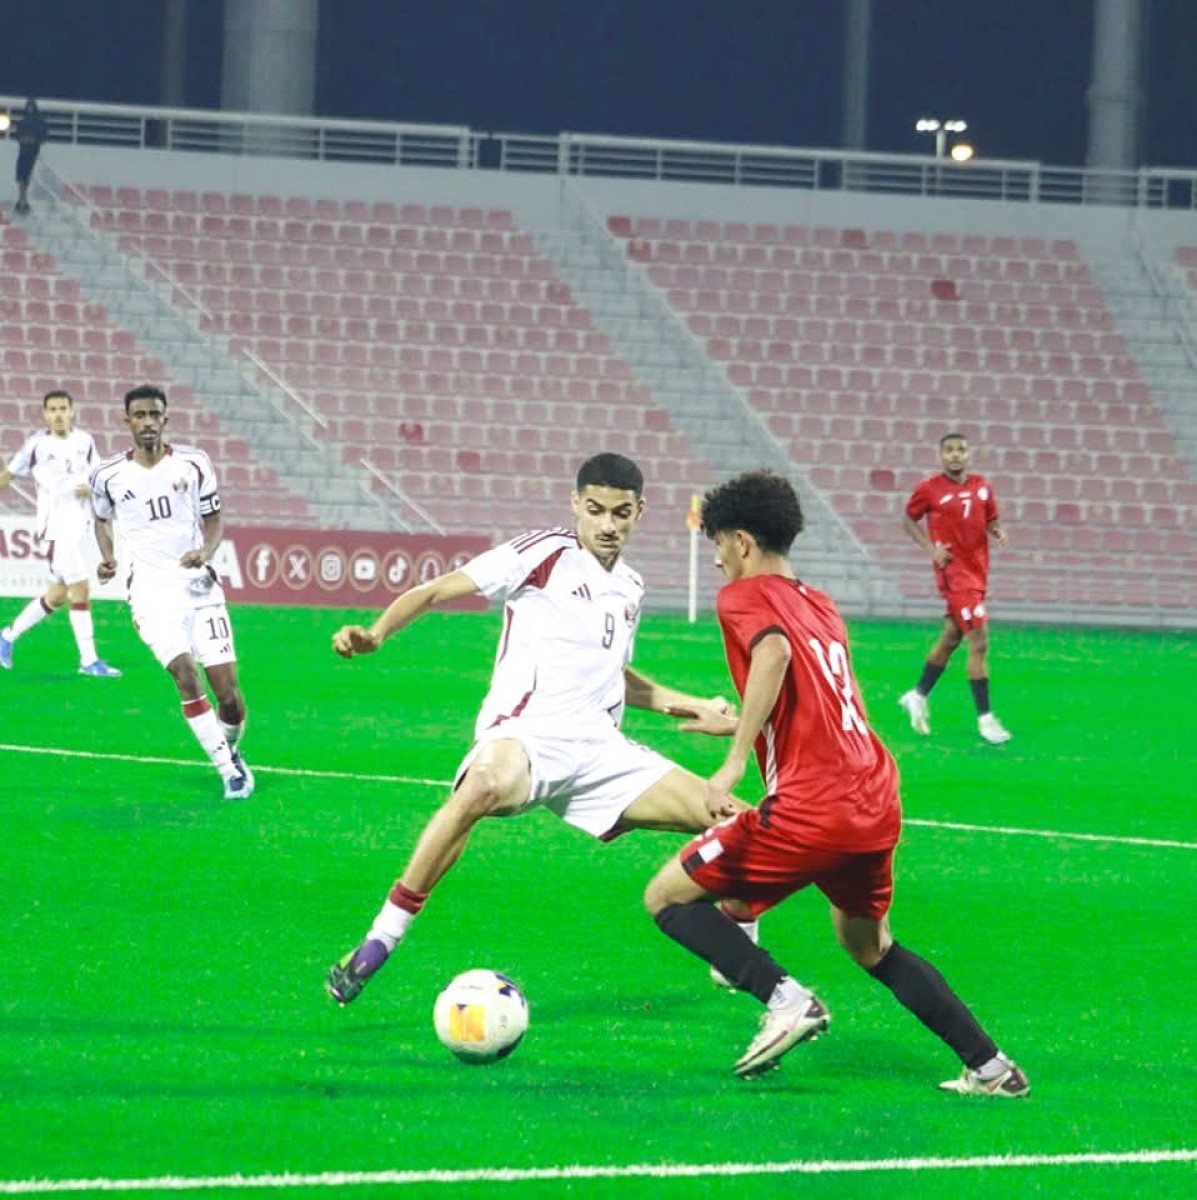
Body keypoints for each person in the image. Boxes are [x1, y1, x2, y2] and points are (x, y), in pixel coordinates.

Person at [643, 469, 1028, 1097]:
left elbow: (773, 655)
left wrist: (736, 759)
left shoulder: (741, 597)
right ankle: (992, 1069)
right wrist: (747, 725)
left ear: (742, 541)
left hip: (814, 806)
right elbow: (814, 694)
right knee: (868, 943)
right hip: (873, 795)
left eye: (717, 544)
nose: (713, 559)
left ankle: (785, 997)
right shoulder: (819, 602)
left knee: (666, 897)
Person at [325, 451, 752, 1006]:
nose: (607, 525)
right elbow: (434, 590)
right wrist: (377, 634)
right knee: (480, 787)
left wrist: (692, 706)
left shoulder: (631, 587)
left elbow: (614, 674)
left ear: (640, 512)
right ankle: (381, 939)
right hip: (526, 736)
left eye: (621, 513)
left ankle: (739, 941)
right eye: (595, 510)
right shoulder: (543, 553)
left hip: (602, 751)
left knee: (740, 823)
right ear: (575, 503)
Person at [90, 384, 253, 800]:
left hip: (199, 588)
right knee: (185, 675)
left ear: (166, 419)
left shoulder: (194, 464)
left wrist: (206, 551)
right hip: (149, 593)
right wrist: (107, 556)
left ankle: (230, 749)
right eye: (139, 415)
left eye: (154, 415)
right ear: (126, 421)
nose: (148, 422)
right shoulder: (108, 476)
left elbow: (213, 518)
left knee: (231, 700)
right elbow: (101, 521)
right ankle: (227, 771)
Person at [898, 431, 1012, 745]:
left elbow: (991, 520)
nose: (955, 455)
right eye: (949, 450)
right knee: (979, 643)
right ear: (941, 455)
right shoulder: (929, 489)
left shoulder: (982, 487)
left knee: (951, 638)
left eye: (961, 449)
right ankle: (986, 720)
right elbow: (908, 520)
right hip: (955, 575)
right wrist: (930, 548)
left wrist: (998, 531)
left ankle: (918, 695)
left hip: (977, 573)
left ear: (968, 454)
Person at [0, 389, 121, 677]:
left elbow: (98, 477)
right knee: (80, 588)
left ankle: (6, 638)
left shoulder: (85, 442)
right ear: (44, 414)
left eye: (62, 408)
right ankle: (89, 661)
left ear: (72, 410)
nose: (57, 414)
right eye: (52, 409)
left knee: (57, 594)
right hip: (55, 530)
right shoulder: (36, 445)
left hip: (76, 527)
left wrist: (90, 488)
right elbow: (8, 475)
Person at [12, 98, 47, 215]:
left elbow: (42, 137)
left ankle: (24, 201)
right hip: (22, 153)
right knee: (21, 177)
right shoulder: (22, 122)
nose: (29, 109)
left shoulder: (40, 123)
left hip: (32, 154)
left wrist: (34, 140)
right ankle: (22, 200)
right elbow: (17, 135)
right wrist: (24, 139)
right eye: (28, 106)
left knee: (26, 177)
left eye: (31, 106)